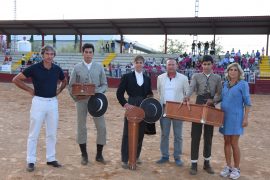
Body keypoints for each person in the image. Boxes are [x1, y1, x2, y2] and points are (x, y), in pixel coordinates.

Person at [12, 45, 67, 172]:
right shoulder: (34, 68)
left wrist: (58, 91)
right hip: (38, 102)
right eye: (47, 54)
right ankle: (30, 160)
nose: (49, 56)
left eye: (52, 54)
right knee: (34, 133)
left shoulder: (57, 68)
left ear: (54, 56)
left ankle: (51, 158)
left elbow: (64, 81)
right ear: (42, 55)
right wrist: (30, 90)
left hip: (53, 102)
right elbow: (16, 79)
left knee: (52, 133)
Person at [68, 43, 108, 165]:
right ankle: (84, 155)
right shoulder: (77, 67)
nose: (88, 54)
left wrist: (97, 93)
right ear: (83, 53)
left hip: (96, 102)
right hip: (81, 101)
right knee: (81, 127)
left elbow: (104, 84)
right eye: (86, 52)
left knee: (101, 127)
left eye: (90, 52)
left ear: (93, 53)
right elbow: (71, 86)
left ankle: (99, 155)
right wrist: (76, 98)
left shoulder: (99, 67)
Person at [185, 55, 222, 175]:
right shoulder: (196, 76)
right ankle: (194, 164)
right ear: (201, 65)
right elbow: (191, 88)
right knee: (195, 134)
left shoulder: (217, 77)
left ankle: (207, 163)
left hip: (210, 105)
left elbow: (220, 94)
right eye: (204, 64)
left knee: (208, 135)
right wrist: (187, 96)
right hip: (199, 104)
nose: (206, 66)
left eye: (208, 64)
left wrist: (214, 100)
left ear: (212, 65)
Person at [116, 55, 153, 169]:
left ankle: (136, 156)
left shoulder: (147, 78)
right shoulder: (127, 77)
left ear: (143, 64)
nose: (139, 64)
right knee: (127, 133)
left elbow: (149, 92)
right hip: (131, 105)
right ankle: (125, 158)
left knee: (141, 132)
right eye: (137, 62)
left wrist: (150, 98)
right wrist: (125, 104)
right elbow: (119, 93)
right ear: (134, 63)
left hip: (143, 106)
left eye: (141, 62)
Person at [219, 63, 251, 179]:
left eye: (235, 70)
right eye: (230, 70)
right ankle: (228, 166)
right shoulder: (225, 84)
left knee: (234, 143)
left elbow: (247, 103)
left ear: (239, 72)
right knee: (226, 141)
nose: (232, 72)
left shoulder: (243, 84)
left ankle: (236, 169)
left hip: (236, 117)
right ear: (228, 72)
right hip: (224, 117)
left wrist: (245, 118)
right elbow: (222, 98)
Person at [156, 58, 189, 166]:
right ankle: (165, 156)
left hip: (178, 109)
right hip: (164, 108)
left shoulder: (184, 78)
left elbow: (187, 93)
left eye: (173, 64)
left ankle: (177, 156)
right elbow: (159, 92)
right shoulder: (160, 78)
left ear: (177, 66)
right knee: (165, 134)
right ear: (166, 66)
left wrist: (185, 100)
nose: (171, 66)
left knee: (178, 135)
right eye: (169, 64)